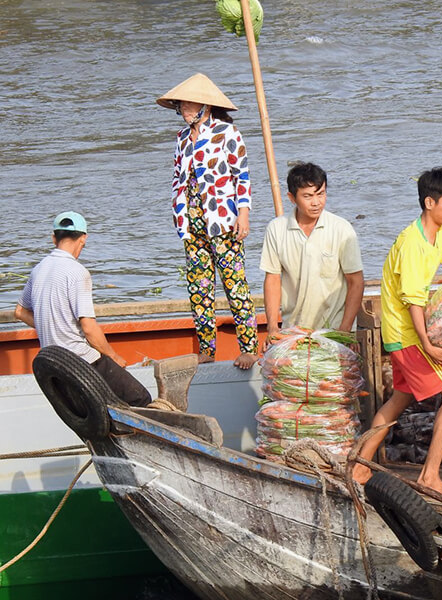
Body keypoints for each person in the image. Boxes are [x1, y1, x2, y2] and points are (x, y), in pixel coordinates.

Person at [352, 167, 442, 494]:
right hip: (408, 335)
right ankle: (429, 475)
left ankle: (358, 467)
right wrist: (427, 344)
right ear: (430, 202)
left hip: (408, 334)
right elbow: (412, 300)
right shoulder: (412, 242)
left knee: (399, 400)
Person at [157, 73, 259, 369]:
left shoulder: (228, 133)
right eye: (181, 106)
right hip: (191, 222)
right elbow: (178, 178)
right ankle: (207, 349)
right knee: (199, 288)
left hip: (223, 219)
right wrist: (180, 214)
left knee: (234, 284)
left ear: (205, 105)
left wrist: (243, 213)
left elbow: (242, 176)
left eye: (188, 105)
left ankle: (249, 348)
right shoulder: (181, 140)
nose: (184, 110)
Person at [15, 212, 151, 407]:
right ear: (83, 239)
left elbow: (20, 311)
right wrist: (113, 357)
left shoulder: (38, 269)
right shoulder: (77, 272)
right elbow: (88, 327)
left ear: (54, 238)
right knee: (140, 398)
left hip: (53, 362)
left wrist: (52, 326)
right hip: (81, 361)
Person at [259, 162, 364, 349]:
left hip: (335, 329)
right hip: (293, 330)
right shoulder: (276, 229)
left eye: (320, 194)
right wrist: (273, 327)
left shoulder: (341, 229)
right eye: (307, 196)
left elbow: (356, 281)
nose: (316, 202)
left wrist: (345, 330)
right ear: (292, 198)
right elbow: (273, 279)